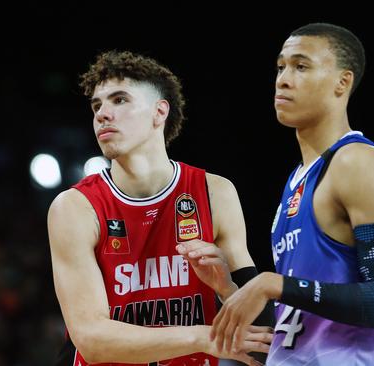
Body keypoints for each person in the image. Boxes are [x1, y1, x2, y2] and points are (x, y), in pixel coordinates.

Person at [204, 23, 374, 365]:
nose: (283, 79)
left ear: (342, 82)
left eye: (301, 66)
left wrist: (274, 284)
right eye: (280, 67)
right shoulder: (298, 180)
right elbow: (297, 323)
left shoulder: (358, 162)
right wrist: (231, 288)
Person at [47, 50, 273, 366]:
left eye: (120, 100)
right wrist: (203, 337)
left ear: (159, 111)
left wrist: (227, 289)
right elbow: (92, 339)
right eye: (97, 105)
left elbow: (262, 343)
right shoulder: (75, 207)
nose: (102, 113)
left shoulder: (214, 193)